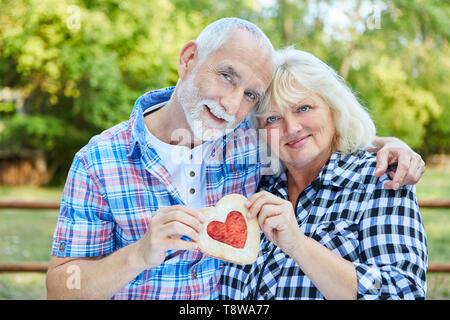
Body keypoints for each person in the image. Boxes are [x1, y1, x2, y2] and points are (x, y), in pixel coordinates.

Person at [46, 18, 425, 300]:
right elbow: (61, 289)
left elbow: (308, 135)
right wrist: (139, 255)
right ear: (189, 58)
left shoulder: (247, 137)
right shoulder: (99, 160)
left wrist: (388, 146)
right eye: (227, 76)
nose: (231, 104)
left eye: (249, 94)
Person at [219, 47, 428, 300]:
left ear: (333, 108)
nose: (291, 128)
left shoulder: (379, 178)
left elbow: (404, 293)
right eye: (272, 118)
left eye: (304, 108)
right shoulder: (251, 184)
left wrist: (299, 245)